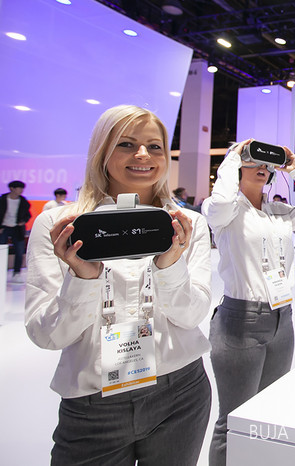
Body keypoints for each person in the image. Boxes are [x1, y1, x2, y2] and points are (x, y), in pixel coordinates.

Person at [25, 105, 212, 465]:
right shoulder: (62, 226)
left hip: (181, 391)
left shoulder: (187, 225)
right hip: (94, 403)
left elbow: (192, 317)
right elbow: (47, 335)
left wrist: (169, 265)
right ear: (102, 151)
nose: (143, 155)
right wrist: (84, 278)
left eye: (154, 146)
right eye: (126, 144)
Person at [202, 139, 295, 466]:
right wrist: (232, 156)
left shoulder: (278, 212)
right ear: (237, 167)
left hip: (282, 319)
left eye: (266, 164)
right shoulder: (224, 211)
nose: (262, 167)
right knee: (233, 420)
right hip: (240, 321)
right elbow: (222, 201)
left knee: (269, 412)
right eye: (252, 160)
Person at [0, 180, 32, 280]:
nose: (21, 190)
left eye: (22, 188)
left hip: (17, 229)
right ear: (12, 188)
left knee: (19, 250)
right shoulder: (2, 199)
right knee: (1, 250)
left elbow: (28, 215)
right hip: (3, 228)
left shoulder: (23, 201)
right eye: (19, 188)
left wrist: (23, 221)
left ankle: (17, 273)